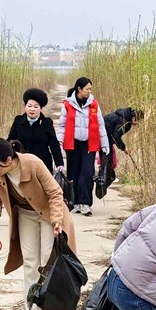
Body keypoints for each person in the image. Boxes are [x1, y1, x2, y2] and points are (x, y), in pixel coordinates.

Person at [0, 138, 77, 310]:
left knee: (49, 258)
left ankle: (55, 306)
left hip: (49, 213)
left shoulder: (33, 163)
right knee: (30, 259)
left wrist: (56, 220)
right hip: (26, 215)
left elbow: (55, 192)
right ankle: (35, 309)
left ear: (7, 160)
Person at [56, 77, 109, 216]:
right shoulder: (68, 104)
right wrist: (59, 143)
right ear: (79, 89)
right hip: (72, 144)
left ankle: (85, 203)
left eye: (90, 89)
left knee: (87, 172)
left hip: (89, 144)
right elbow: (62, 126)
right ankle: (75, 202)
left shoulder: (94, 104)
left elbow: (101, 125)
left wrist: (105, 144)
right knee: (73, 173)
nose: (89, 91)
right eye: (87, 89)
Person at [6, 88, 64, 173]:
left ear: (41, 108)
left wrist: (59, 163)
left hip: (42, 164)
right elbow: (10, 140)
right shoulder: (18, 121)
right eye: (29, 106)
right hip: (21, 163)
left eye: (36, 107)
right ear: (25, 106)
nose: (32, 109)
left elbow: (54, 144)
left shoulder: (47, 123)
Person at [102, 107, 144, 171]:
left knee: (109, 156)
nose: (137, 123)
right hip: (102, 134)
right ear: (133, 118)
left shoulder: (124, 115)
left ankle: (107, 174)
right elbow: (116, 137)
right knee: (108, 156)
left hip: (104, 134)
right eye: (137, 121)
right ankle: (105, 175)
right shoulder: (125, 122)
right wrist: (124, 148)